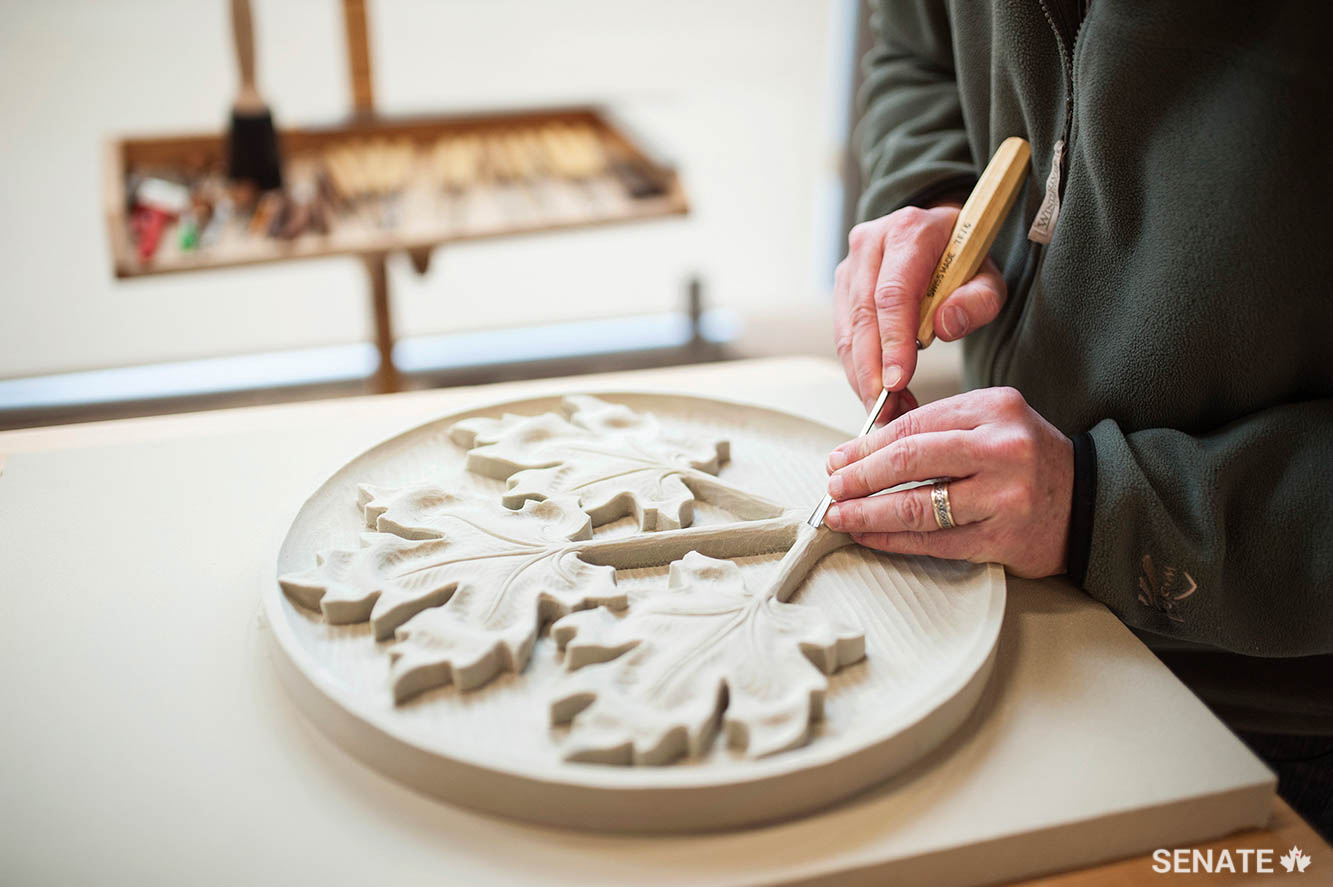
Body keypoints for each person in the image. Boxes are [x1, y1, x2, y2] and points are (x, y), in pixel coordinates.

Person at [827, 0, 1332, 837]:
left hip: (1266, 712)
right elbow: (913, 48)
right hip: (1001, 613)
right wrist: (934, 190)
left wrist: (1105, 508)